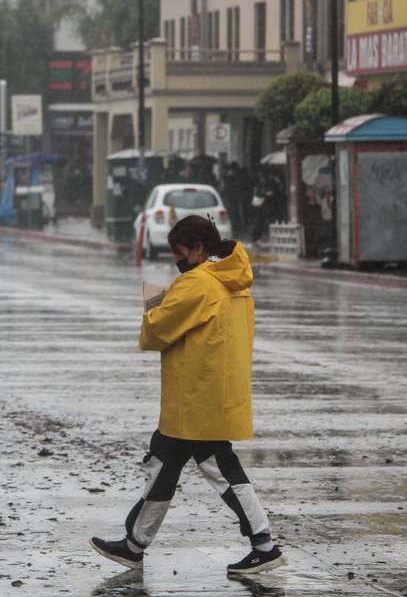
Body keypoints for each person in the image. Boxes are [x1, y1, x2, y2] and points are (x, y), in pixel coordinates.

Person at [90, 215, 285, 576]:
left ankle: (264, 543)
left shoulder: (197, 284)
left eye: (179, 253)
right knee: (163, 463)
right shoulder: (233, 279)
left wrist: (153, 302)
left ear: (198, 249)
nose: (176, 262)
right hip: (210, 392)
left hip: (196, 398)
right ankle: (134, 545)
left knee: (219, 469)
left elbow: (154, 331)